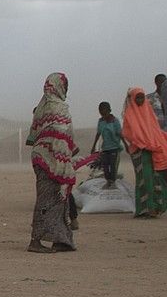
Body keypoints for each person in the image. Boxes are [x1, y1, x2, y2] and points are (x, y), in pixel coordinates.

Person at [26, 73, 80, 253]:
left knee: (57, 200)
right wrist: (66, 157)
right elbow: (61, 134)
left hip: (41, 157)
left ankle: (61, 239)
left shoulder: (41, 107)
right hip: (52, 160)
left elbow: (34, 135)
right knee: (48, 199)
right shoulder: (58, 108)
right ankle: (36, 240)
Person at [121, 87, 167, 218]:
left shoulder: (149, 112)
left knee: (156, 178)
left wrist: (161, 138)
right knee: (144, 179)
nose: (140, 100)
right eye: (137, 97)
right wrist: (142, 143)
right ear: (132, 98)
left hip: (154, 150)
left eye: (142, 97)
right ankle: (144, 209)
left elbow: (154, 130)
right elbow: (128, 133)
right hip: (140, 151)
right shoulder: (129, 114)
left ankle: (157, 207)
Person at [89, 101, 122, 188]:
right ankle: (108, 181)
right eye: (101, 111)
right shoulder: (100, 122)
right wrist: (93, 146)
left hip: (114, 147)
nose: (103, 113)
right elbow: (98, 134)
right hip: (105, 148)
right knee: (106, 167)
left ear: (109, 110)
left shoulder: (115, 121)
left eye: (105, 111)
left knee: (113, 166)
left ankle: (113, 182)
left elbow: (119, 134)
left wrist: (125, 144)